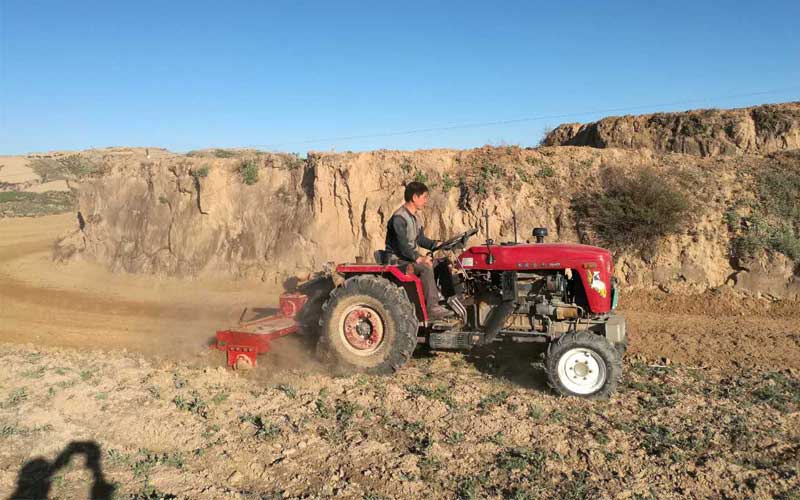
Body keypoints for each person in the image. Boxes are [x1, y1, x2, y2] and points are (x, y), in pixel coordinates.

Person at [385, 181, 454, 320]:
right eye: (424, 197)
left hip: (408, 257)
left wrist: (437, 244)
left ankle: (451, 300)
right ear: (414, 197)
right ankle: (432, 308)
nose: (425, 201)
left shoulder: (416, 217)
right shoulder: (399, 218)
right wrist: (419, 258)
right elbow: (402, 246)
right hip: (397, 260)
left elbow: (420, 240)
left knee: (442, 263)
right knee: (425, 267)